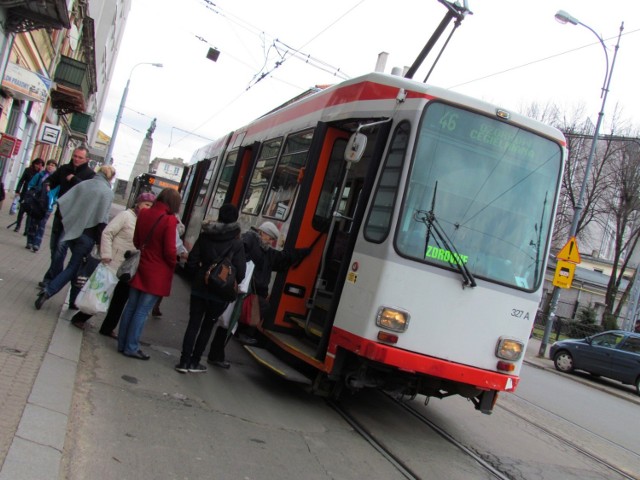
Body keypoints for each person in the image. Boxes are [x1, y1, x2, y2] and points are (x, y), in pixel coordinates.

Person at [206, 221, 310, 368]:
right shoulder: (250, 240)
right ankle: (219, 352)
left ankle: (218, 353)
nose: (271, 242)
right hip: (242, 290)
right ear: (263, 233)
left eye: (272, 239)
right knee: (230, 321)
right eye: (270, 238)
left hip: (247, 291)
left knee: (229, 322)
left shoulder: (265, 250)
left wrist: (305, 251)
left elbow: (283, 257)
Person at [69, 192, 156, 334]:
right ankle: (80, 318)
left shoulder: (146, 222)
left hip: (129, 268)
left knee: (120, 299)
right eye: (146, 204)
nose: (148, 208)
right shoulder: (126, 216)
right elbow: (107, 233)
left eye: (151, 206)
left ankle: (108, 328)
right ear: (138, 204)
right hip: (113, 262)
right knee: (101, 293)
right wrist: (106, 254)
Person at [175, 204, 246, 373]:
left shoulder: (205, 236)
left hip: (200, 287)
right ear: (235, 219)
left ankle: (183, 362)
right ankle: (195, 362)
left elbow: (191, 262)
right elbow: (241, 273)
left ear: (219, 216)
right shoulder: (237, 244)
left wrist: (200, 275)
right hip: (220, 292)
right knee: (207, 326)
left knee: (193, 324)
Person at [35, 165, 116, 310]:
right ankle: (48, 291)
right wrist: (99, 243)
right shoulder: (107, 192)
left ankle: (73, 301)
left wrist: (67, 222)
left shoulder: (84, 184)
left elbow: (64, 202)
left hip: (71, 230)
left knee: (77, 266)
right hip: (88, 235)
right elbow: (102, 219)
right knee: (74, 267)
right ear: (110, 177)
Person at [117, 188, 180, 360]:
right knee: (142, 311)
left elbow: (137, 241)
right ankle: (131, 347)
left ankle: (122, 343)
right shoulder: (169, 220)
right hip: (157, 273)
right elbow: (169, 251)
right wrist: (174, 262)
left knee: (131, 306)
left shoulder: (143, 213)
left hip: (140, 267)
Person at [39, 146, 95, 289]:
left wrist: (75, 179)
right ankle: (54, 276)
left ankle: (51, 280)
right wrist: (48, 185)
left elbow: (89, 192)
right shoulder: (64, 169)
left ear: (87, 159)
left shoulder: (89, 175)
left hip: (74, 219)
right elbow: (52, 180)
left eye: (80, 157)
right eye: (75, 156)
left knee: (60, 247)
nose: (76, 159)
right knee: (54, 247)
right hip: (60, 214)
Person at [152, 214, 188, 317]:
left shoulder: (163, 216)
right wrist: (180, 255)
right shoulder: (171, 219)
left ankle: (155, 306)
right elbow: (174, 244)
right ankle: (155, 305)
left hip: (154, 260)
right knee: (160, 284)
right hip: (163, 261)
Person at [25, 159, 58, 252]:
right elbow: (31, 185)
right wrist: (32, 194)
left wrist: (53, 200)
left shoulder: (57, 179)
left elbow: (58, 193)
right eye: (49, 164)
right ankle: (30, 241)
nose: (50, 166)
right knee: (32, 222)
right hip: (36, 202)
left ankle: (37, 243)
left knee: (41, 224)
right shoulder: (40, 175)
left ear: (55, 168)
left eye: (53, 165)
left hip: (47, 205)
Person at [12, 158, 44, 233]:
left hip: (34, 196)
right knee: (21, 210)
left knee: (30, 212)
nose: (38, 166)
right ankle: (18, 226)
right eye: (37, 164)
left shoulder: (41, 174)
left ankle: (26, 229)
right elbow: (21, 181)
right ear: (34, 164)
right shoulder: (28, 170)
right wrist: (17, 190)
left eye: (41, 165)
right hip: (25, 193)